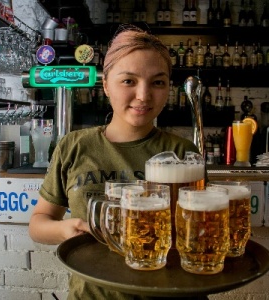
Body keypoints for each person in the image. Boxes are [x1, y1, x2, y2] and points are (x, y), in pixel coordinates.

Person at [29, 25, 200, 300]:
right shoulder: (74, 146)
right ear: (106, 84)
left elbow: (199, 231)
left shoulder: (182, 153)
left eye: (158, 82)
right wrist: (65, 229)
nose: (144, 96)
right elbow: (39, 223)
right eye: (129, 81)